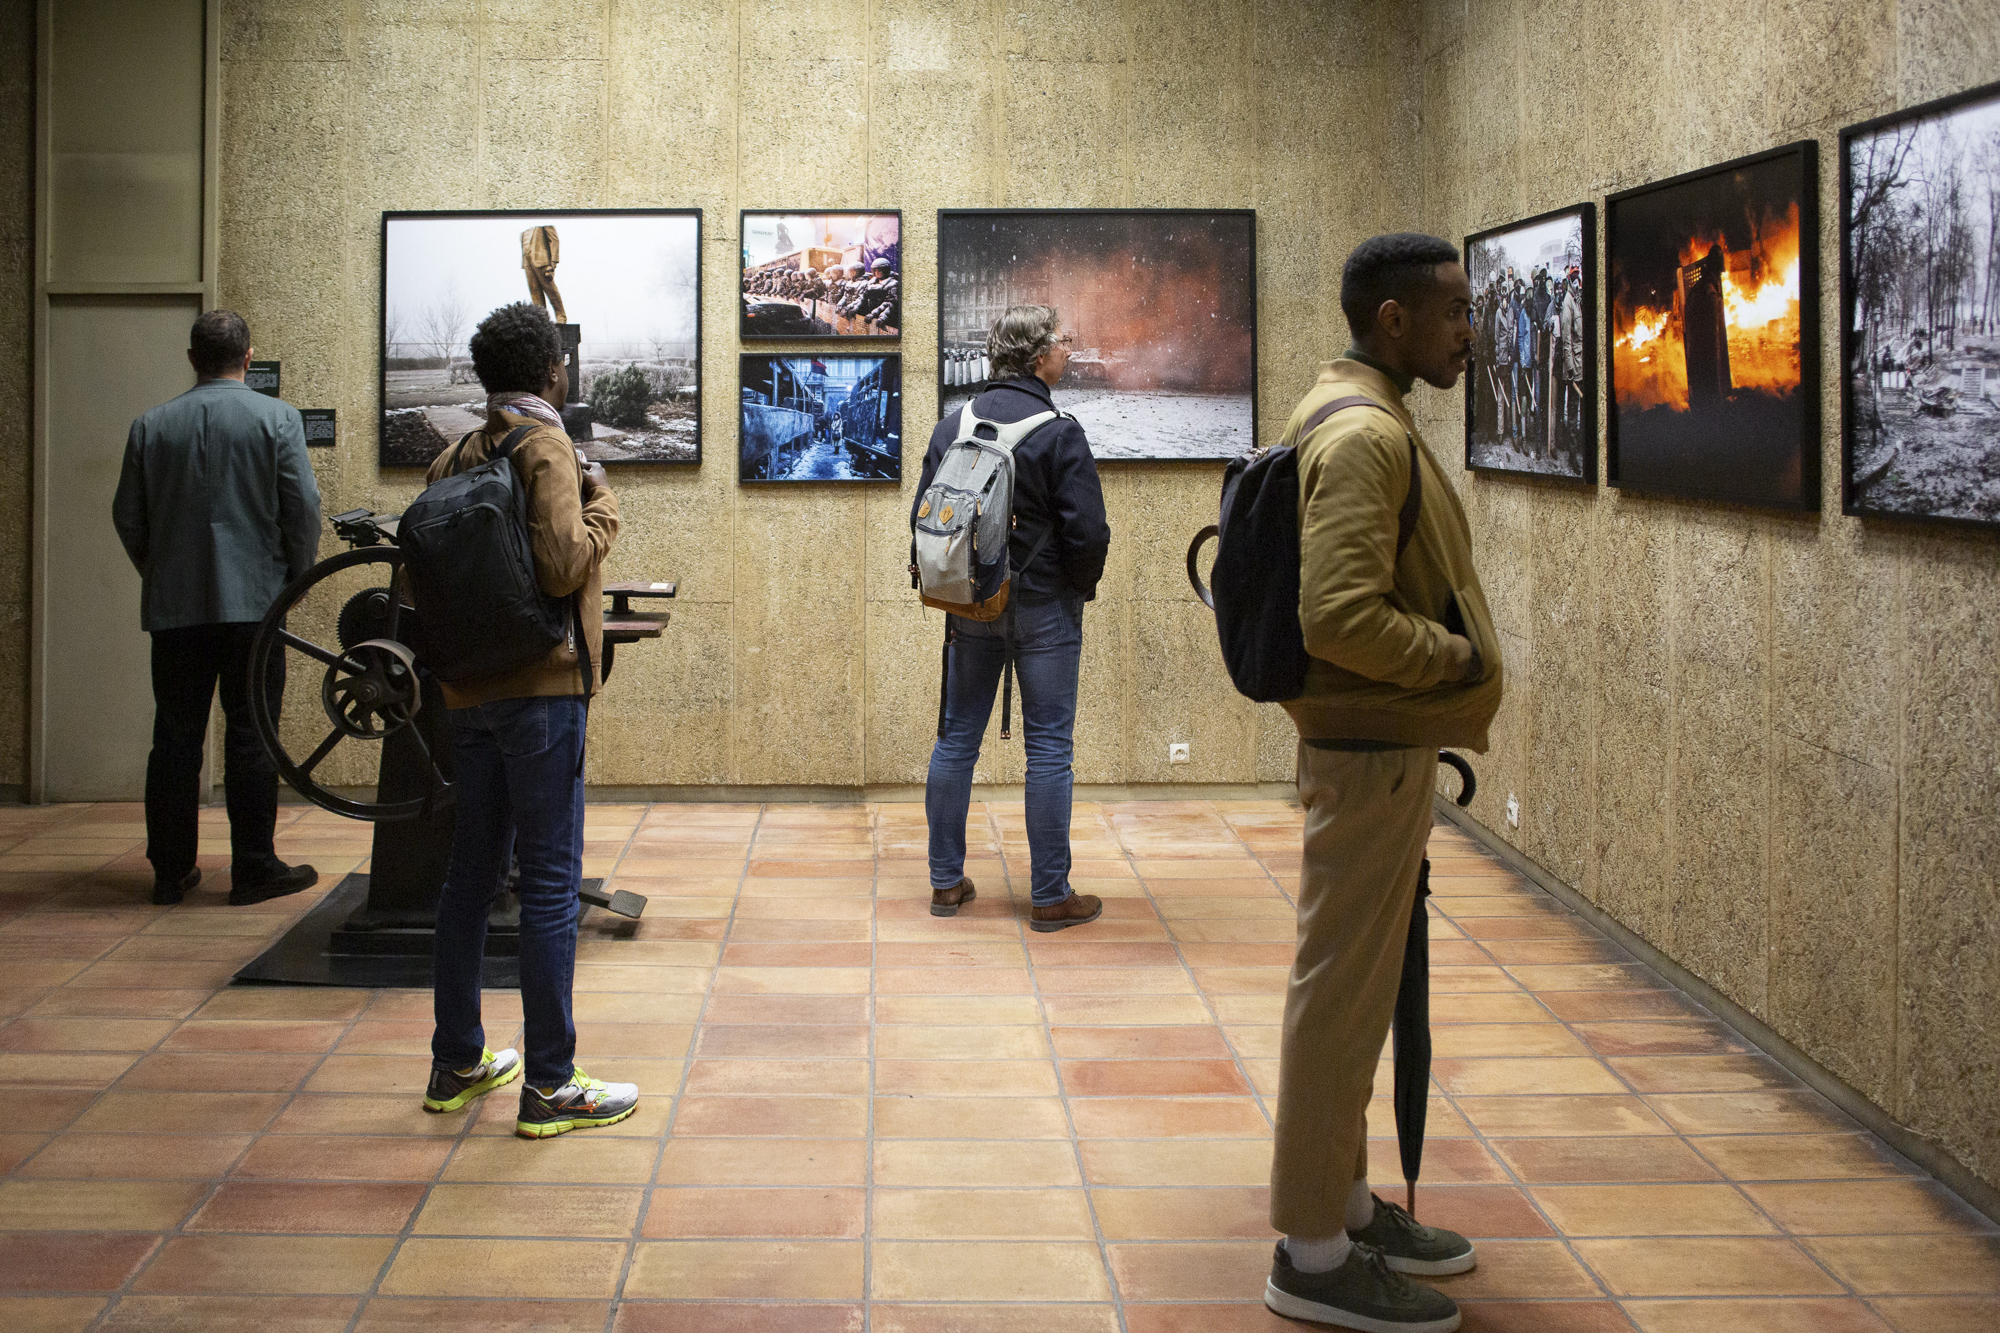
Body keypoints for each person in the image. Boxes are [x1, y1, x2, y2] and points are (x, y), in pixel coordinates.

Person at [1262, 234, 1505, 1333]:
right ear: (1393, 320)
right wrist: (1450, 658)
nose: (1469, 332)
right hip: (1367, 752)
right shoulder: (1363, 433)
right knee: (1337, 999)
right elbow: (1339, 618)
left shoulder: (1355, 409)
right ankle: (1312, 1253)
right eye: (1453, 311)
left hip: (1376, 750)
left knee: (1356, 997)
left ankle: (1349, 1205)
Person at [420, 301, 636, 1139]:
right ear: (552, 369)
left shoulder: (453, 455)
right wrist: (603, 508)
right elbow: (562, 564)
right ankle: (550, 1082)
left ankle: (456, 1060)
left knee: (469, 879)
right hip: (542, 693)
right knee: (549, 880)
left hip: (469, 694)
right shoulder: (545, 445)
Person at [113, 310, 323, 908]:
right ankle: (253, 868)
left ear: (192, 358)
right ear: (248, 358)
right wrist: (296, 578)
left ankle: (171, 870)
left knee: (175, 738)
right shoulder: (277, 419)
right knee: (252, 734)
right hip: (256, 605)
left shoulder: (150, 426)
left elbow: (128, 517)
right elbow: (303, 509)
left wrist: (160, 572)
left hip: (177, 610)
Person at [913, 304, 1110, 933]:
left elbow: (923, 516)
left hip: (972, 605)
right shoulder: (1060, 432)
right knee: (1048, 748)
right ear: (1037, 356)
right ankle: (1050, 896)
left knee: (956, 741)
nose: (1068, 351)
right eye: (1061, 342)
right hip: (1045, 608)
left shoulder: (953, 426)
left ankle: (946, 883)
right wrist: (1076, 590)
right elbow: (1089, 533)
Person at [520, 225, 567, 324]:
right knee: (534, 292)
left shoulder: (543, 223)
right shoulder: (523, 227)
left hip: (542, 261)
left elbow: (554, 240)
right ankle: (541, 319)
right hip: (527, 261)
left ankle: (561, 316)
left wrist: (553, 263)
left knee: (550, 290)